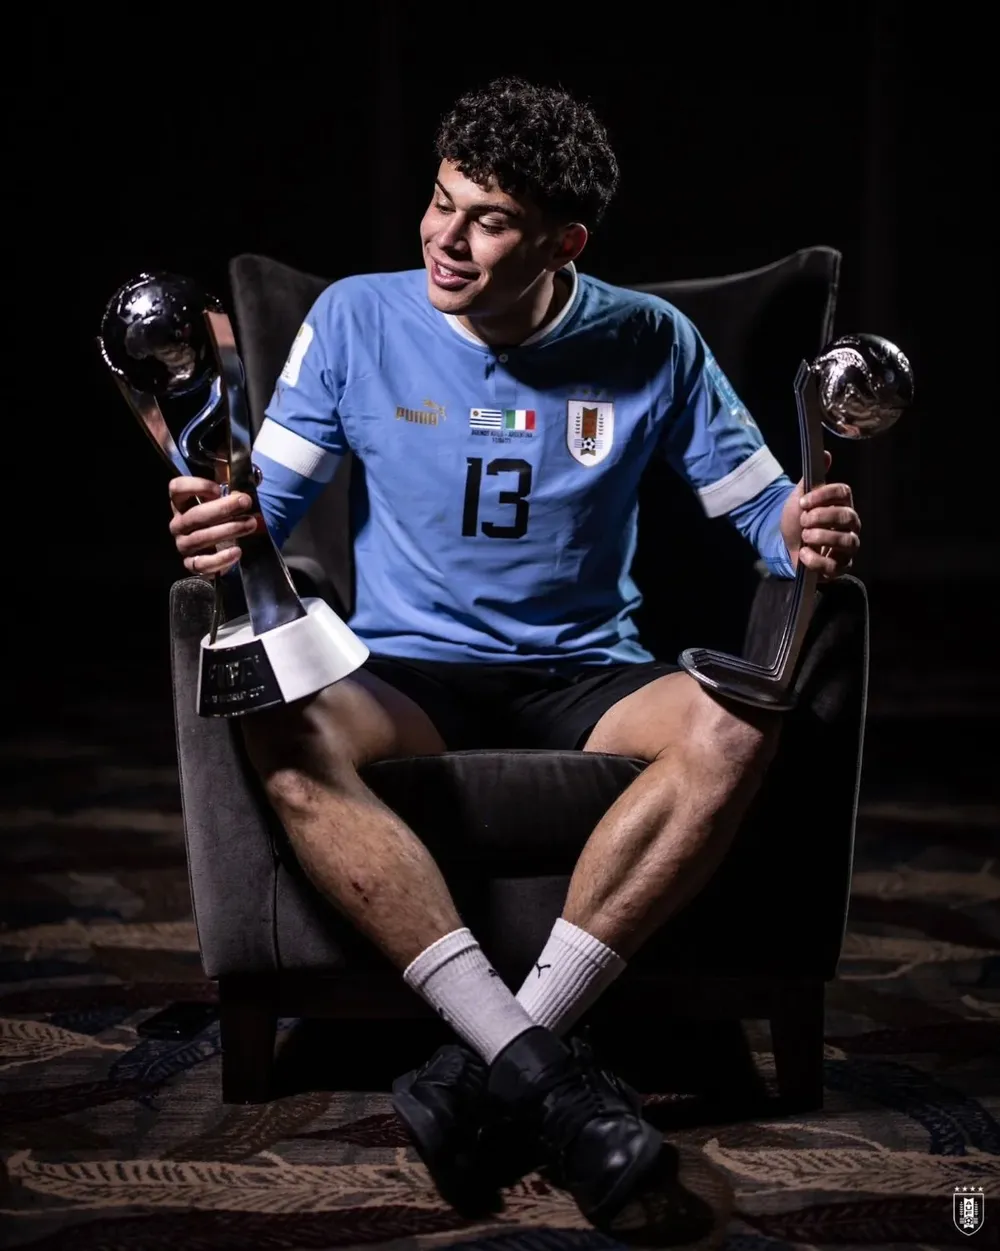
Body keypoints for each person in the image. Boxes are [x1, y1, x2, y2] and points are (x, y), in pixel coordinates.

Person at [167, 77, 861, 1228]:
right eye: (441, 203)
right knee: (276, 719)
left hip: (585, 670)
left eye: (487, 220)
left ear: (561, 240)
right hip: (406, 671)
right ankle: (538, 1067)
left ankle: (500, 1055)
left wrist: (800, 525)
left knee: (739, 717)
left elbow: (761, 515)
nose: (445, 237)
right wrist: (219, 517)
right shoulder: (353, 318)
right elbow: (265, 512)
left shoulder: (648, 338)